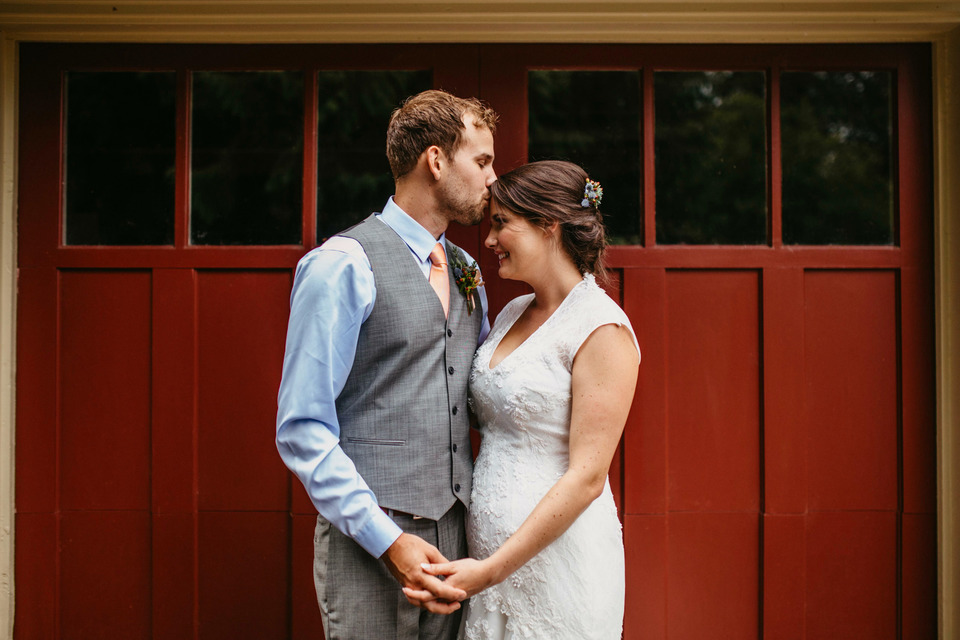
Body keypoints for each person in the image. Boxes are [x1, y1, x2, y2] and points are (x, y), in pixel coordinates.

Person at [276, 89, 498, 640]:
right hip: (368, 545)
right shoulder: (341, 265)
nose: (493, 179)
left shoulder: (469, 269)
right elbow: (302, 429)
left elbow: (478, 396)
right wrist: (388, 540)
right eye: (483, 160)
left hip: (457, 546)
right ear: (437, 159)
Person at [406, 160, 641, 639]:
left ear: (548, 226)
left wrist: (489, 570)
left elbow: (587, 478)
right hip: (487, 568)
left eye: (500, 223)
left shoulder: (602, 329)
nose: (489, 240)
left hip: (556, 565)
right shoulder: (514, 311)